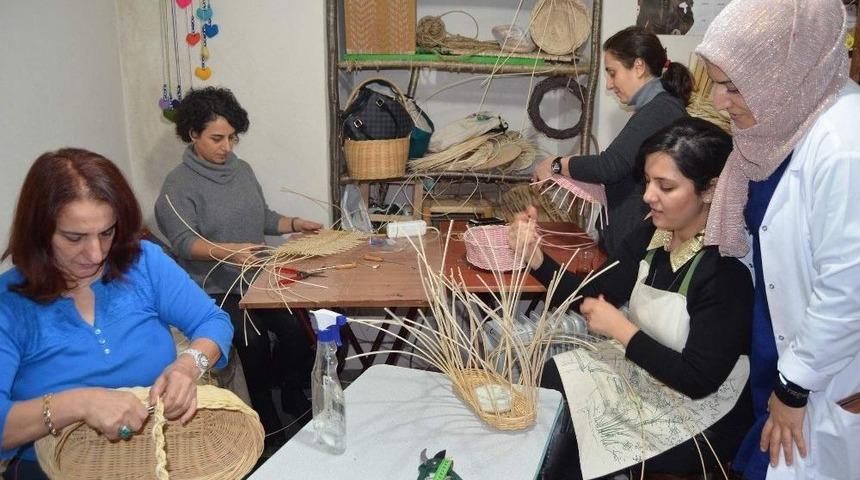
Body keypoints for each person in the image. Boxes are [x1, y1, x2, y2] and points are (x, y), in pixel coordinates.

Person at [512, 117, 753, 478]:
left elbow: (699, 380)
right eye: (648, 181)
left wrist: (622, 330)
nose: (647, 196)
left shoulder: (725, 270)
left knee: (582, 426)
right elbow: (590, 295)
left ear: (710, 190)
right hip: (650, 375)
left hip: (702, 410)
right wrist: (537, 258)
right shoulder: (652, 236)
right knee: (553, 379)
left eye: (665, 186)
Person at [695, 1, 860, 478]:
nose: (721, 102)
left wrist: (794, 388)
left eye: (733, 86)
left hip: (819, 381)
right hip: (779, 357)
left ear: (786, 72)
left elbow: (848, 291)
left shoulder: (844, 146)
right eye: (716, 83)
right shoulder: (778, 128)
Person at [0, 149, 234, 479]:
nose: (95, 254)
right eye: (74, 237)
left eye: (106, 233)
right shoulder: (8, 303)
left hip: (154, 461)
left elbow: (213, 322)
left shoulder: (144, 264)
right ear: (38, 230)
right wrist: (79, 403)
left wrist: (188, 365)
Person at [154, 86, 321, 452]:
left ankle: (292, 396)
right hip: (215, 286)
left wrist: (295, 223)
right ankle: (267, 425)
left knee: (296, 335)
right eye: (217, 138)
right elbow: (183, 242)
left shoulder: (241, 170)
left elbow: (261, 217)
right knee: (253, 344)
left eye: (232, 137)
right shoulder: (176, 185)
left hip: (257, 276)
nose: (226, 147)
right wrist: (227, 253)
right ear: (192, 133)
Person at [533, 26, 692, 258]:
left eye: (612, 72)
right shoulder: (656, 109)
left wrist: (556, 164)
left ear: (638, 67)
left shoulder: (660, 110)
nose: (609, 84)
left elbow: (610, 166)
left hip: (635, 249)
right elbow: (624, 167)